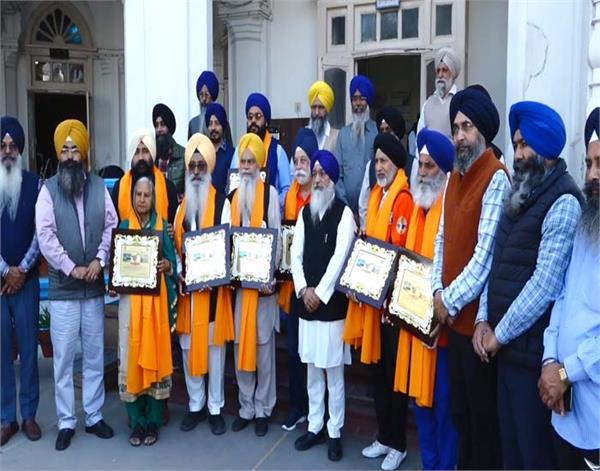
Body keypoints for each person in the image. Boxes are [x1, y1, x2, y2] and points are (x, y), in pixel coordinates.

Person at [473, 101, 583, 469]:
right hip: (505, 352)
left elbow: (544, 285)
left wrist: (497, 335)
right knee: (511, 453)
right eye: (516, 145)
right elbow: (496, 261)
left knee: (532, 457)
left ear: (547, 151)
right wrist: (482, 321)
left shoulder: (564, 200)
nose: (517, 154)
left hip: (531, 360)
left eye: (524, 146)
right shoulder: (519, 194)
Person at [431, 88, 510, 469]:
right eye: (456, 127)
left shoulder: (496, 178)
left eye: (467, 126)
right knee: (460, 416)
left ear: (483, 131)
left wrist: (448, 300)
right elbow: (442, 238)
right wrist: (434, 291)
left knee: (481, 425)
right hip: (450, 322)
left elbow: (485, 257)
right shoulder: (454, 176)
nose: (459, 135)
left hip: (475, 327)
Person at [36, 119, 117, 451]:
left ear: (84, 152)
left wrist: (99, 260)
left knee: (95, 355)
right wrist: (72, 268)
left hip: (93, 287)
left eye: (75, 149)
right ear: (59, 154)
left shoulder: (99, 187)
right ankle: (67, 420)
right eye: (65, 149)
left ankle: (94, 415)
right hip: (64, 291)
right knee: (65, 358)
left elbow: (111, 225)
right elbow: (45, 236)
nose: (70, 155)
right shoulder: (48, 190)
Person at [343, 133, 414, 471]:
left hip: (390, 309)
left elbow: (400, 253)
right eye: (377, 160)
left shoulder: (403, 201)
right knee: (376, 375)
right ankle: (384, 436)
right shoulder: (375, 195)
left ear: (397, 164)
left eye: (385, 160)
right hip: (372, 303)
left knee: (391, 377)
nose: (379, 166)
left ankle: (397, 443)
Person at [539, 106, 600, 470]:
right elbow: (561, 297)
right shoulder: (586, 224)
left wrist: (566, 371)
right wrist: (550, 362)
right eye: (589, 165)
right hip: (563, 409)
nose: (592, 175)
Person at [394, 128, 457, 470]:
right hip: (414, 328)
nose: (422, 173)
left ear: (445, 172)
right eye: (420, 165)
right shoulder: (418, 207)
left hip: (441, 335)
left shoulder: (451, 211)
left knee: (443, 411)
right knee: (421, 406)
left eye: (430, 167)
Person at [291, 150, 355, 462]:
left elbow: (341, 258)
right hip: (307, 304)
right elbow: (295, 256)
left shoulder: (345, 215)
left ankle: (334, 431)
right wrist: (303, 289)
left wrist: (320, 292)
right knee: (312, 371)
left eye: (323, 173)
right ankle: (315, 426)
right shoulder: (305, 214)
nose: (317, 178)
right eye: (314, 173)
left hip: (330, 308)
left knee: (333, 372)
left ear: (333, 178)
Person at [173, 133, 233, 436]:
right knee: (188, 350)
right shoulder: (181, 209)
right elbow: (176, 247)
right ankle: (195, 406)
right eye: (192, 166)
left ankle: (215, 407)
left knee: (214, 351)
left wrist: (213, 273)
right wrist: (181, 272)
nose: (196, 171)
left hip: (213, 291)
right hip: (189, 293)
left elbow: (227, 244)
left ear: (208, 167)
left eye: (201, 165)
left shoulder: (222, 202)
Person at [113, 170, 177, 447]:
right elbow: (116, 266)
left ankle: (152, 421)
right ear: (132, 197)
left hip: (155, 307)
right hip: (130, 308)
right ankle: (136, 422)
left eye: (147, 195)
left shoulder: (162, 226)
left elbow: (173, 264)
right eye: (138, 195)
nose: (142, 199)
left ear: (154, 198)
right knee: (130, 358)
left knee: (155, 356)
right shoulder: (124, 226)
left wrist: (168, 266)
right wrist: (115, 277)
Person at [230, 133, 281, 437]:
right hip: (240, 289)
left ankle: (264, 408)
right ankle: (246, 407)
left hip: (262, 289)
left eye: (251, 162)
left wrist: (268, 275)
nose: (247, 167)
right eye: (243, 162)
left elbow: (274, 240)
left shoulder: (270, 194)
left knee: (263, 348)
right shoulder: (234, 197)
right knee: (240, 347)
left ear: (260, 164)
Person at [1, 116, 41, 446]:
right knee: (1, 353)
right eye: (2, 145)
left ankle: (28, 415)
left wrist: (21, 271)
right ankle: (6, 418)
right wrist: (5, 271)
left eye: (13, 145)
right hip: (0, 284)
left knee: (29, 351)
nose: (8, 151)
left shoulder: (34, 184)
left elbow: (40, 234)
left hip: (25, 284)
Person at [278, 128, 318, 432]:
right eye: (296, 159)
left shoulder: (322, 194)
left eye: (305, 159)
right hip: (291, 287)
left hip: (315, 290)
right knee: (294, 351)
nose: (300, 165)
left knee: (314, 354)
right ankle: (297, 407)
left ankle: (319, 411)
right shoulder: (287, 196)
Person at [229, 93, 291, 208]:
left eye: (258, 117)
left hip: (269, 217)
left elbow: (287, 189)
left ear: (266, 121)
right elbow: (231, 183)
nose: (253, 121)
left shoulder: (278, 151)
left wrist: (271, 204)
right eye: (250, 117)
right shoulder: (239, 150)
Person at [111, 129, 179, 230]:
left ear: (152, 153)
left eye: (146, 151)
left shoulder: (168, 187)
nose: (141, 157)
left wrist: (171, 232)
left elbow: (174, 224)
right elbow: (114, 227)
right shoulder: (119, 188)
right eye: (136, 152)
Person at [357, 106, 407, 230]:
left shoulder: (412, 163)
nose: (385, 134)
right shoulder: (371, 166)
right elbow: (363, 204)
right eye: (382, 130)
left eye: (388, 130)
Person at [335, 75, 377, 216]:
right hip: (346, 211)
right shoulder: (343, 135)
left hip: (371, 210)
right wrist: (346, 209)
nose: (358, 103)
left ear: (368, 102)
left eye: (362, 98)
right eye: (354, 99)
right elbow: (337, 174)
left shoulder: (377, 133)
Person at [417, 47, 461, 139]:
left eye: (444, 70)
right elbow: (420, 137)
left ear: (452, 73)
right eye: (438, 70)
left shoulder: (460, 101)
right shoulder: (428, 103)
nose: (440, 75)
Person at [153, 103, 185, 195]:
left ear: (169, 129)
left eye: (162, 125)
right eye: (156, 125)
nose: (159, 129)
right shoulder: (151, 157)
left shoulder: (183, 156)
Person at [205, 103, 234, 195]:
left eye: (217, 123)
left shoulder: (232, 154)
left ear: (223, 125)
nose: (213, 128)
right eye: (210, 124)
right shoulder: (202, 153)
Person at [307, 80, 339, 151]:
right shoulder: (303, 135)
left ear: (327, 109)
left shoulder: (337, 137)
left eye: (321, 107)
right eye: (314, 107)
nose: (317, 112)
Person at [188, 70, 219, 137]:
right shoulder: (193, 123)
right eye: (201, 95)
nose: (204, 99)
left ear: (212, 96)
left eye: (206, 95)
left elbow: (228, 146)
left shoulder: (222, 123)